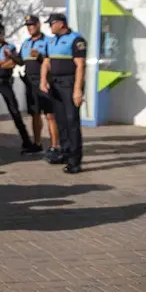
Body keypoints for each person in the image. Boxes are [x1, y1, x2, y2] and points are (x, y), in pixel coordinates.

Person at [40, 12, 87, 174]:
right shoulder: (51, 41)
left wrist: (77, 90)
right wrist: (43, 80)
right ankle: (65, 153)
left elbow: (81, 65)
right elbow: (46, 62)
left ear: (61, 24)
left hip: (70, 83)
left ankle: (75, 159)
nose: (50, 26)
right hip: (55, 84)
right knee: (61, 121)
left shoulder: (76, 40)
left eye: (51, 23)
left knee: (71, 121)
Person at [0, 22, 34, 151]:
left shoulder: (10, 47)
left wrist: (1, 63)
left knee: (14, 111)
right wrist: (1, 62)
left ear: (3, 33)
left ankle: (26, 140)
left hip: (5, 81)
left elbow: (12, 64)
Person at [17, 15, 56, 157]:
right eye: (28, 25)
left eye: (32, 25)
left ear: (38, 25)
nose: (30, 28)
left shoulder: (48, 41)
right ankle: (37, 143)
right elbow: (21, 61)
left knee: (50, 114)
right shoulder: (26, 43)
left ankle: (54, 146)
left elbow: (52, 64)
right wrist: (11, 57)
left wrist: (40, 56)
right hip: (30, 82)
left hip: (44, 81)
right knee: (34, 114)